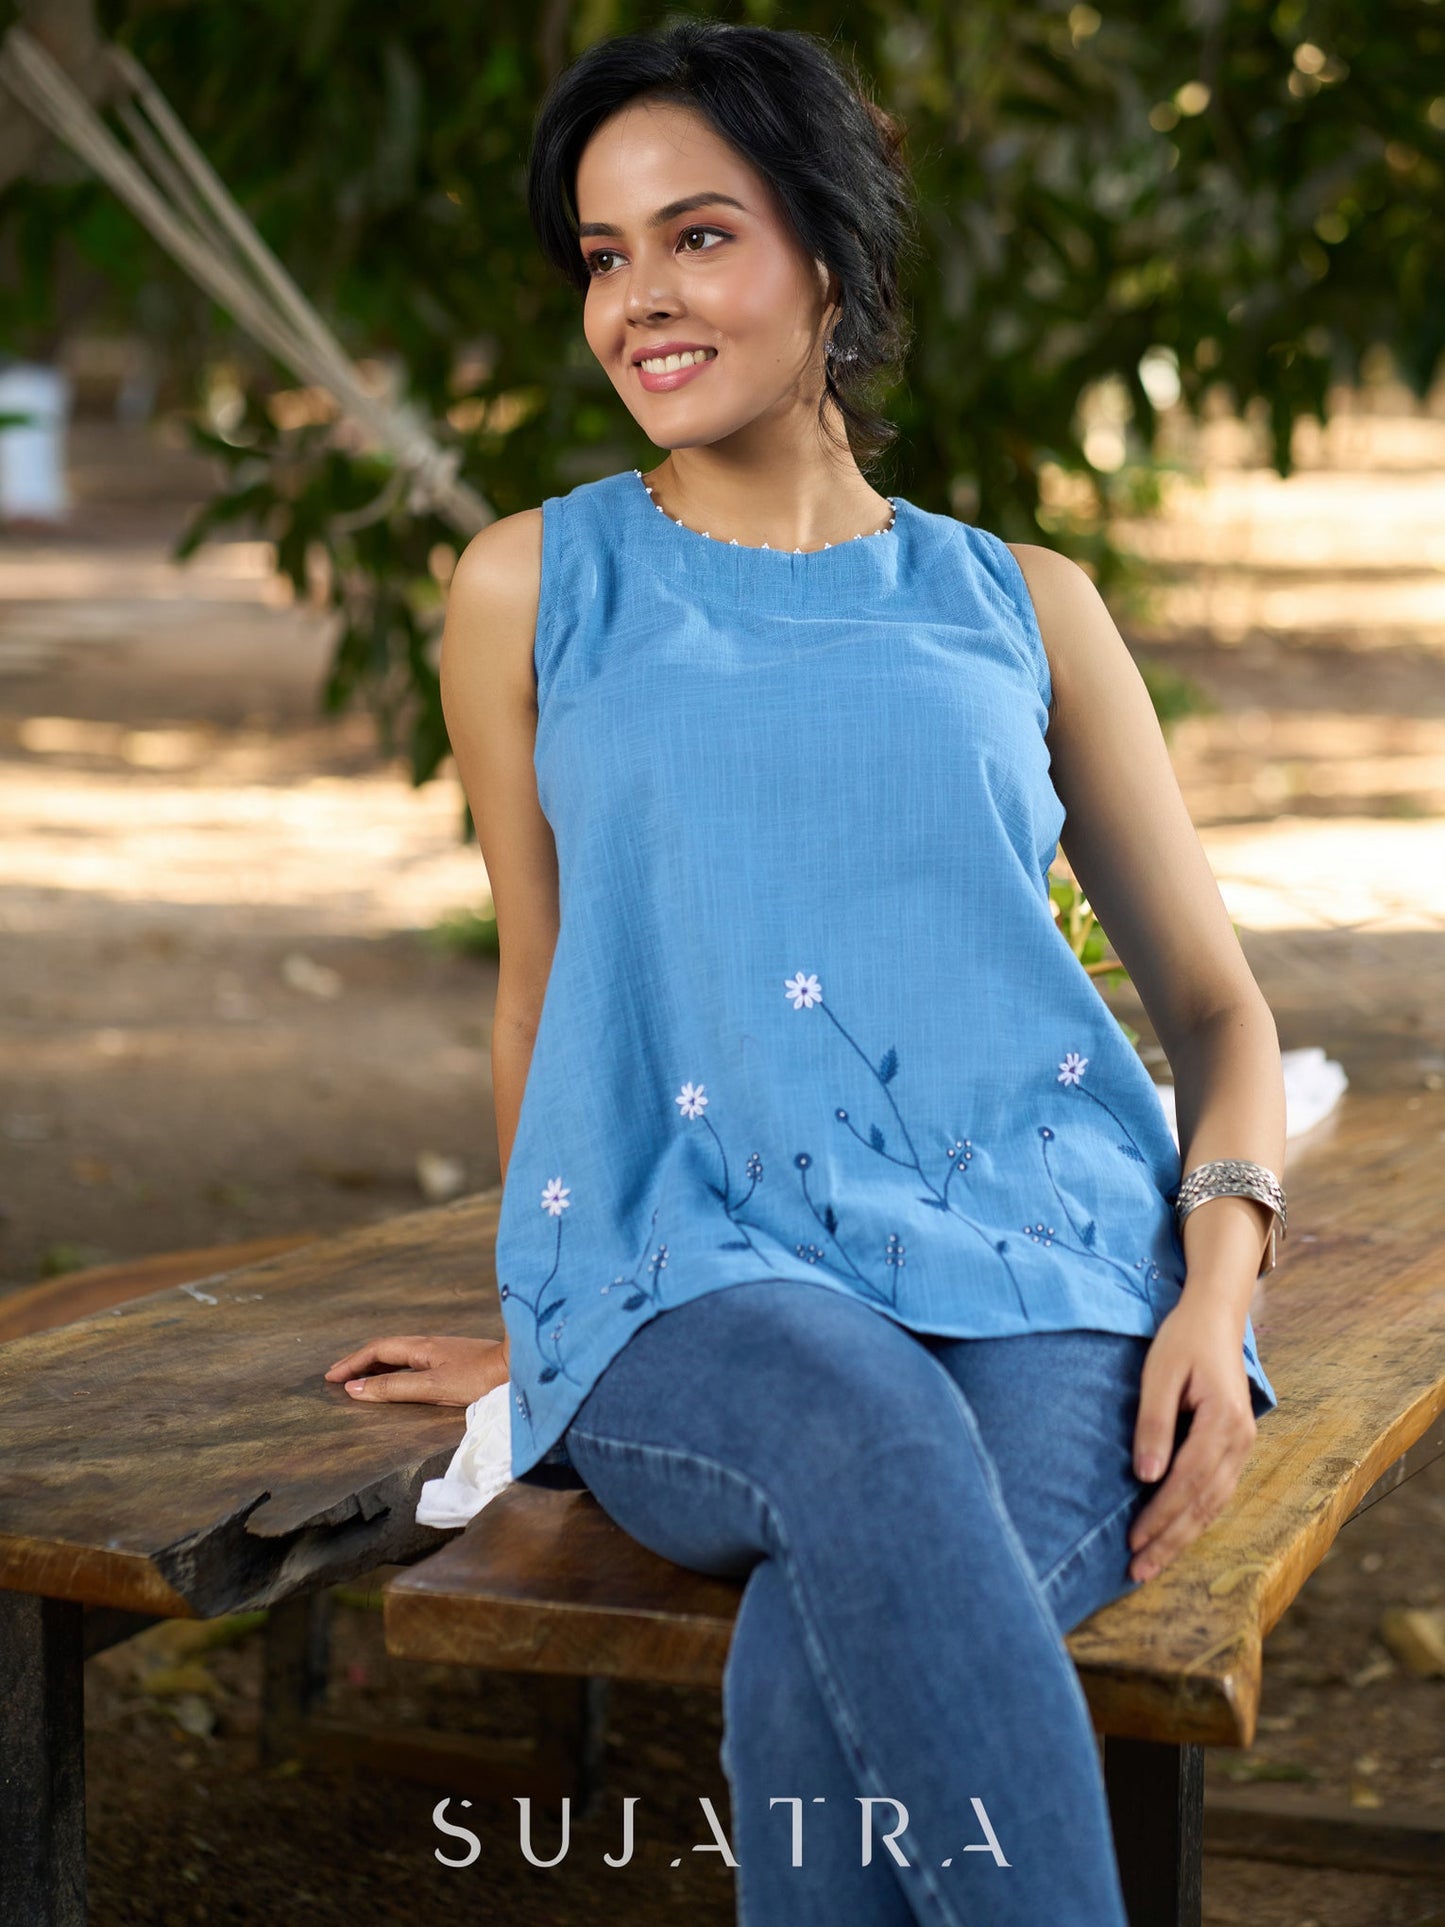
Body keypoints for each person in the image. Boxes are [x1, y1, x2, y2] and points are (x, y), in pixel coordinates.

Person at [325, 19, 1286, 1921]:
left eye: (698, 236)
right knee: (861, 1438)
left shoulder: (1020, 603)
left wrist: (1214, 1288)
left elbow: (1219, 1015)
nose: (639, 302)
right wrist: (552, 1296)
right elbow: (547, 978)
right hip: (703, 1284)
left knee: (810, 1659)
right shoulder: (534, 583)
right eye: (604, 256)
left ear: (827, 260)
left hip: (1053, 1281)